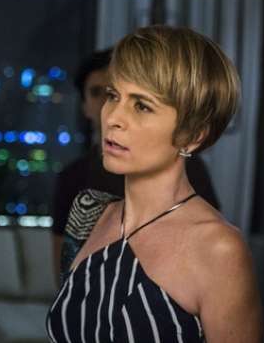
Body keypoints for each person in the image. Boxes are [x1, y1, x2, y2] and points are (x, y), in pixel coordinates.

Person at [46, 26, 263, 342]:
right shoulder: (87, 212)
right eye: (113, 96)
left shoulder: (219, 249)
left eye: (142, 106)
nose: (113, 118)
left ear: (193, 134)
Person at [50, 49, 220, 282]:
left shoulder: (187, 168)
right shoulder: (75, 181)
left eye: (139, 104)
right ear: (84, 105)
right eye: (107, 95)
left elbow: (207, 250)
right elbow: (64, 276)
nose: (110, 110)